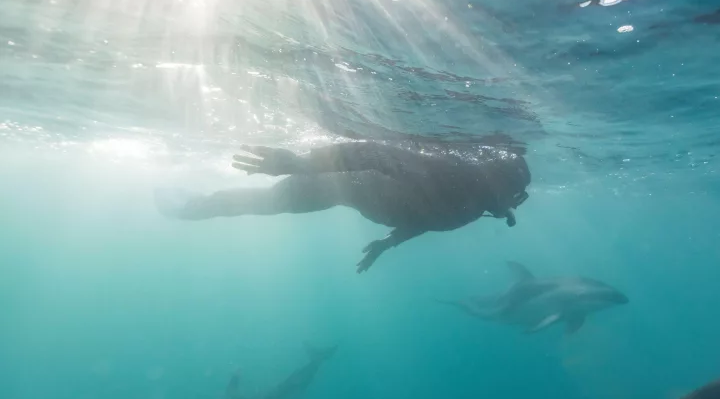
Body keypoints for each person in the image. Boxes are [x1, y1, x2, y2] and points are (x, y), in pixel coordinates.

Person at [156, 141, 531, 273]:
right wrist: (300, 164)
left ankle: (191, 203)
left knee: (267, 203)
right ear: (494, 182)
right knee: (266, 203)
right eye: (513, 195)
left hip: (357, 198)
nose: (512, 206)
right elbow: (370, 152)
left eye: (516, 198)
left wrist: (388, 243)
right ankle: (187, 207)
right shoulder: (452, 174)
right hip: (338, 184)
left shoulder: (473, 207)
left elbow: (428, 221)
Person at [222, 343, 336, 399]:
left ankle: (317, 360)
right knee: (289, 387)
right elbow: (232, 395)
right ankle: (317, 360)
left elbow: (232, 396)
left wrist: (235, 378)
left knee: (290, 386)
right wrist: (235, 378)